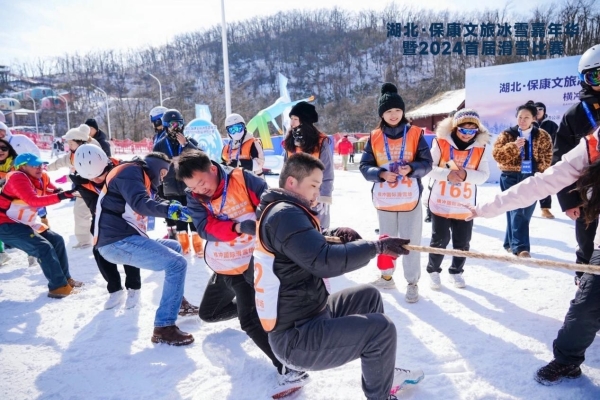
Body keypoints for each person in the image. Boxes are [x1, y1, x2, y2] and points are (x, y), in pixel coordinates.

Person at [255, 152, 423, 400]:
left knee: (367, 296)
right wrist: (376, 247)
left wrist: (335, 233)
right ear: (292, 182)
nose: (317, 192)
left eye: (319, 186)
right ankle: (380, 396)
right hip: (297, 339)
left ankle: (382, 373)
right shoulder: (284, 214)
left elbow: (307, 242)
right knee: (381, 329)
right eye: (313, 185)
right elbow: (322, 261)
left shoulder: (286, 210)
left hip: (309, 314)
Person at [466, 123, 600, 386]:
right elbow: (542, 183)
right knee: (585, 308)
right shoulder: (594, 146)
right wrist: (486, 208)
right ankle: (567, 361)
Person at [176, 149, 308, 397]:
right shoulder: (194, 197)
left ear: (213, 169)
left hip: (251, 261)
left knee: (249, 320)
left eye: (202, 182)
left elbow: (272, 205)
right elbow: (205, 228)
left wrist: (261, 221)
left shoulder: (243, 179)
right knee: (208, 313)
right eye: (193, 187)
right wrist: (237, 226)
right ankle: (259, 308)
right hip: (224, 263)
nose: (200, 189)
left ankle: (290, 368)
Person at [94, 152, 196, 345]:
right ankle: (164, 328)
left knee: (174, 246)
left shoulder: (140, 178)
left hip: (125, 238)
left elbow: (154, 202)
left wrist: (177, 208)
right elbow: (141, 204)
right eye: (164, 172)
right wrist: (170, 211)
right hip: (116, 241)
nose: (164, 177)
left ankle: (176, 303)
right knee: (177, 264)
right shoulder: (131, 172)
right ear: (156, 167)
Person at [359, 82, 433, 302]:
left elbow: (427, 163)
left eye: (398, 110)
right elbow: (365, 166)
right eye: (389, 111)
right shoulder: (374, 137)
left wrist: (411, 168)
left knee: (410, 240)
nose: (394, 115)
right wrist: (380, 174)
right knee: (385, 239)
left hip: (410, 197)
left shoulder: (415, 133)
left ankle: (412, 282)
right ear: (382, 114)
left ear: (403, 111)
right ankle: (387, 277)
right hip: (386, 198)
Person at [0, 153, 82, 297]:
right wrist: (62, 196)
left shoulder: (41, 176)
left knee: (56, 240)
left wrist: (61, 192)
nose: (39, 168)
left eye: (40, 164)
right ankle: (58, 288)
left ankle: (65, 280)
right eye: (34, 165)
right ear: (22, 167)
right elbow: (34, 200)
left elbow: (50, 189)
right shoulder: (17, 178)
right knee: (43, 247)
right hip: (6, 224)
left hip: (25, 221)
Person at [71, 144, 142, 309]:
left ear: (106, 164)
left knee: (130, 249)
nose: (97, 180)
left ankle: (134, 288)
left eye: (100, 175)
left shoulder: (123, 170)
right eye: (92, 178)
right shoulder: (83, 182)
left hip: (127, 216)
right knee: (99, 250)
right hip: (102, 217)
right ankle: (115, 289)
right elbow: (94, 207)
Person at [425, 109, 490, 289]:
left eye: (472, 131)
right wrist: (447, 174)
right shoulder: (441, 143)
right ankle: (433, 270)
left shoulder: (481, 147)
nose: (467, 134)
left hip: (464, 204)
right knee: (440, 240)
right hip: (442, 201)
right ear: (455, 128)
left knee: (462, 242)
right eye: (463, 130)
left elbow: (484, 176)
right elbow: (427, 168)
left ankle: (456, 271)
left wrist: (465, 175)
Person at [553, 44, 600, 284]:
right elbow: (560, 159)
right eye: (596, 75)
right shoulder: (574, 115)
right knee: (586, 234)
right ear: (584, 79)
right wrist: (568, 199)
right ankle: (584, 272)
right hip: (586, 189)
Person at [492, 101, 552, 258]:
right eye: (520, 117)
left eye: (527, 117)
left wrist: (540, 173)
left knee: (524, 210)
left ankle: (509, 243)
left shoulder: (542, 135)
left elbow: (547, 156)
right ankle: (521, 247)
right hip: (510, 176)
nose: (522, 120)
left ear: (534, 118)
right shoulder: (507, 134)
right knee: (516, 208)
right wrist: (513, 147)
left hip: (531, 175)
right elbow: (497, 155)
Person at [152, 109, 202, 256]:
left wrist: (185, 144)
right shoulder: (160, 145)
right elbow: (153, 165)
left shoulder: (190, 141)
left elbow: (201, 157)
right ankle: (183, 247)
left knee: (193, 214)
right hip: (171, 186)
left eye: (179, 124)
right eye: (173, 124)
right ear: (166, 126)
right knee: (178, 215)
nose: (176, 127)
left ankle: (198, 246)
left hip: (190, 185)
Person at [47, 124, 101, 249]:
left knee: (96, 213)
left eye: (71, 144)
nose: (69, 146)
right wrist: (47, 167)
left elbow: (86, 173)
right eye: (69, 144)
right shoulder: (73, 153)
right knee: (81, 213)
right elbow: (62, 161)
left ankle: (102, 239)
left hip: (94, 188)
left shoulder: (89, 153)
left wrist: (68, 177)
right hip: (83, 189)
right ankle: (85, 241)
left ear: (81, 142)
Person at [282, 101, 334, 230]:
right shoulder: (289, 141)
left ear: (304, 121)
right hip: (294, 195)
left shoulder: (321, 142)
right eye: (291, 119)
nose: (292, 122)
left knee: (318, 231)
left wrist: (324, 197)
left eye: (295, 119)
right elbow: (285, 171)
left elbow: (327, 173)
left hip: (314, 196)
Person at [533, 101, 559, 219]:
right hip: (529, 160)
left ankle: (545, 209)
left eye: (540, 109)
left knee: (544, 183)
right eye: (536, 109)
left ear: (544, 111)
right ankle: (522, 207)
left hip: (545, 160)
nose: (538, 111)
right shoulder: (527, 124)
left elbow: (558, 142)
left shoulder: (551, 125)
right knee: (525, 183)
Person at [221, 113, 265, 177]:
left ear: (244, 127)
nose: (236, 132)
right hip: (235, 182)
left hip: (253, 182)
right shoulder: (226, 148)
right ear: (228, 132)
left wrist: (239, 163)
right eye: (232, 130)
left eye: (238, 128)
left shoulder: (253, 143)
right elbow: (224, 165)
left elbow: (259, 164)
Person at [0, 138, 17, 266]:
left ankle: (34, 252)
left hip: (16, 199)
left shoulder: (16, 162)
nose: (0, 151)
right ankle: (2, 254)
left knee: (25, 224)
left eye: (4, 148)